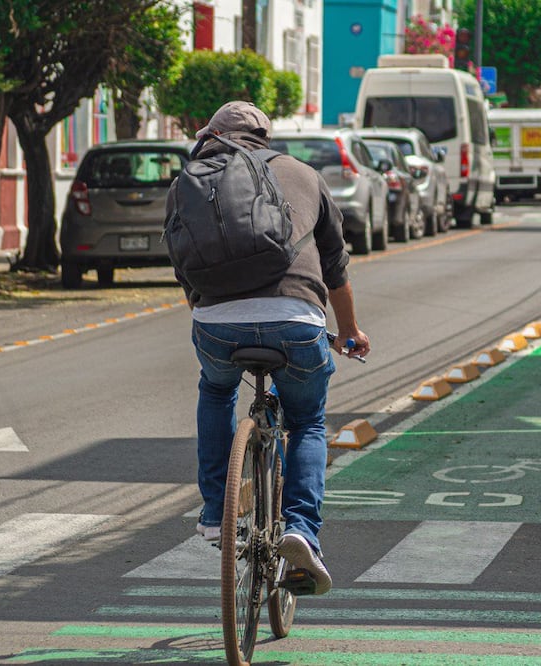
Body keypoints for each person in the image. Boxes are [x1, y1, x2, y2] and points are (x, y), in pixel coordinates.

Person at [168, 100, 370, 595]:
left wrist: (209, 316)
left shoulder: (188, 181)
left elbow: (182, 266)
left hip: (215, 323)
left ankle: (216, 513)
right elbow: (336, 267)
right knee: (308, 421)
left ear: (209, 135)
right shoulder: (301, 174)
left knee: (216, 392)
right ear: (265, 137)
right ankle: (301, 530)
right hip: (296, 321)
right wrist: (349, 332)